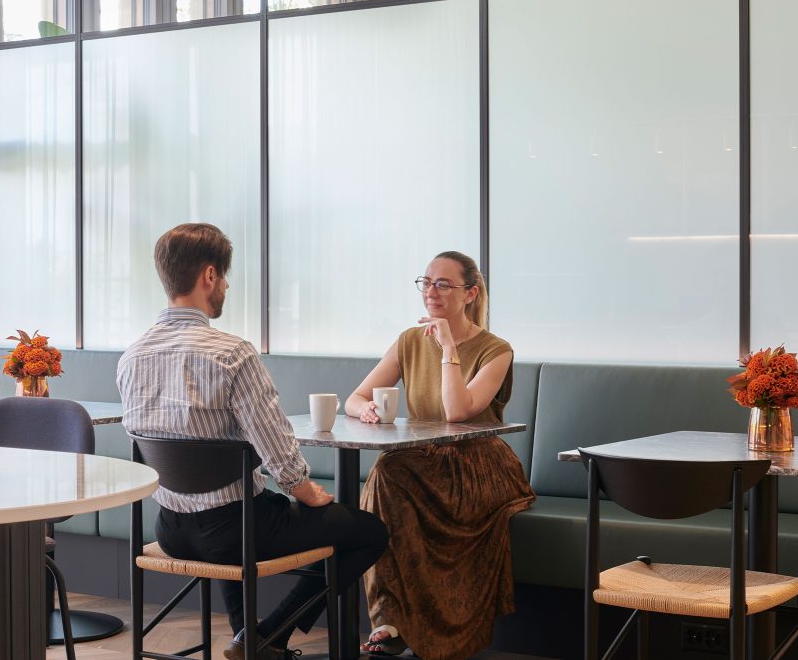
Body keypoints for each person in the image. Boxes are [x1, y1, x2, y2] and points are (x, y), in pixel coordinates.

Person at [118, 223, 388, 660]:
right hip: (232, 533)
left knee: (239, 510)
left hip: (169, 529)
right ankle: (269, 633)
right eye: (224, 277)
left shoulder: (132, 356)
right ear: (209, 276)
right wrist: (307, 491)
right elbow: (278, 453)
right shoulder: (231, 354)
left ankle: (251, 640)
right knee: (368, 531)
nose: (225, 285)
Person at [344, 251, 535, 659]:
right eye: (426, 282)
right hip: (421, 460)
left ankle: (431, 635)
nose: (431, 292)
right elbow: (354, 398)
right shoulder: (409, 340)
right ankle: (390, 620)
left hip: (479, 465)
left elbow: (458, 411)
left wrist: (449, 346)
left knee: (390, 472)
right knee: (386, 471)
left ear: (470, 294)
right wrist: (368, 410)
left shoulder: (496, 349)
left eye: (443, 284)